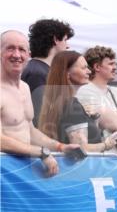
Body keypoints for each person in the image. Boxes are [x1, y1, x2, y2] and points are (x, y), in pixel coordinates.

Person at [0, 30, 80, 176]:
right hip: (4, 178)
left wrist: (60, 147)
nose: (17, 55)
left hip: (22, 174)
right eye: (10, 48)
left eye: (22, 50)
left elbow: (30, 131)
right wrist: (40, 152)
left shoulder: (25, 87)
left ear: (28, 55)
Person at [37, 50, 117, 154]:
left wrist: (91, 120)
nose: (89, 72)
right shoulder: (71, 104)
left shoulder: (58, 102)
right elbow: (80, 148)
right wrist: (106, 145)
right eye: (84, 68)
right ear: (67, 74)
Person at [23, 19, 74, 123]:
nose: (68, 46)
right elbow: (40, 118)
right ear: (55, 39)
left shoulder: (39, 69)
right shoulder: (37, 73)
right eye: (65, 40)